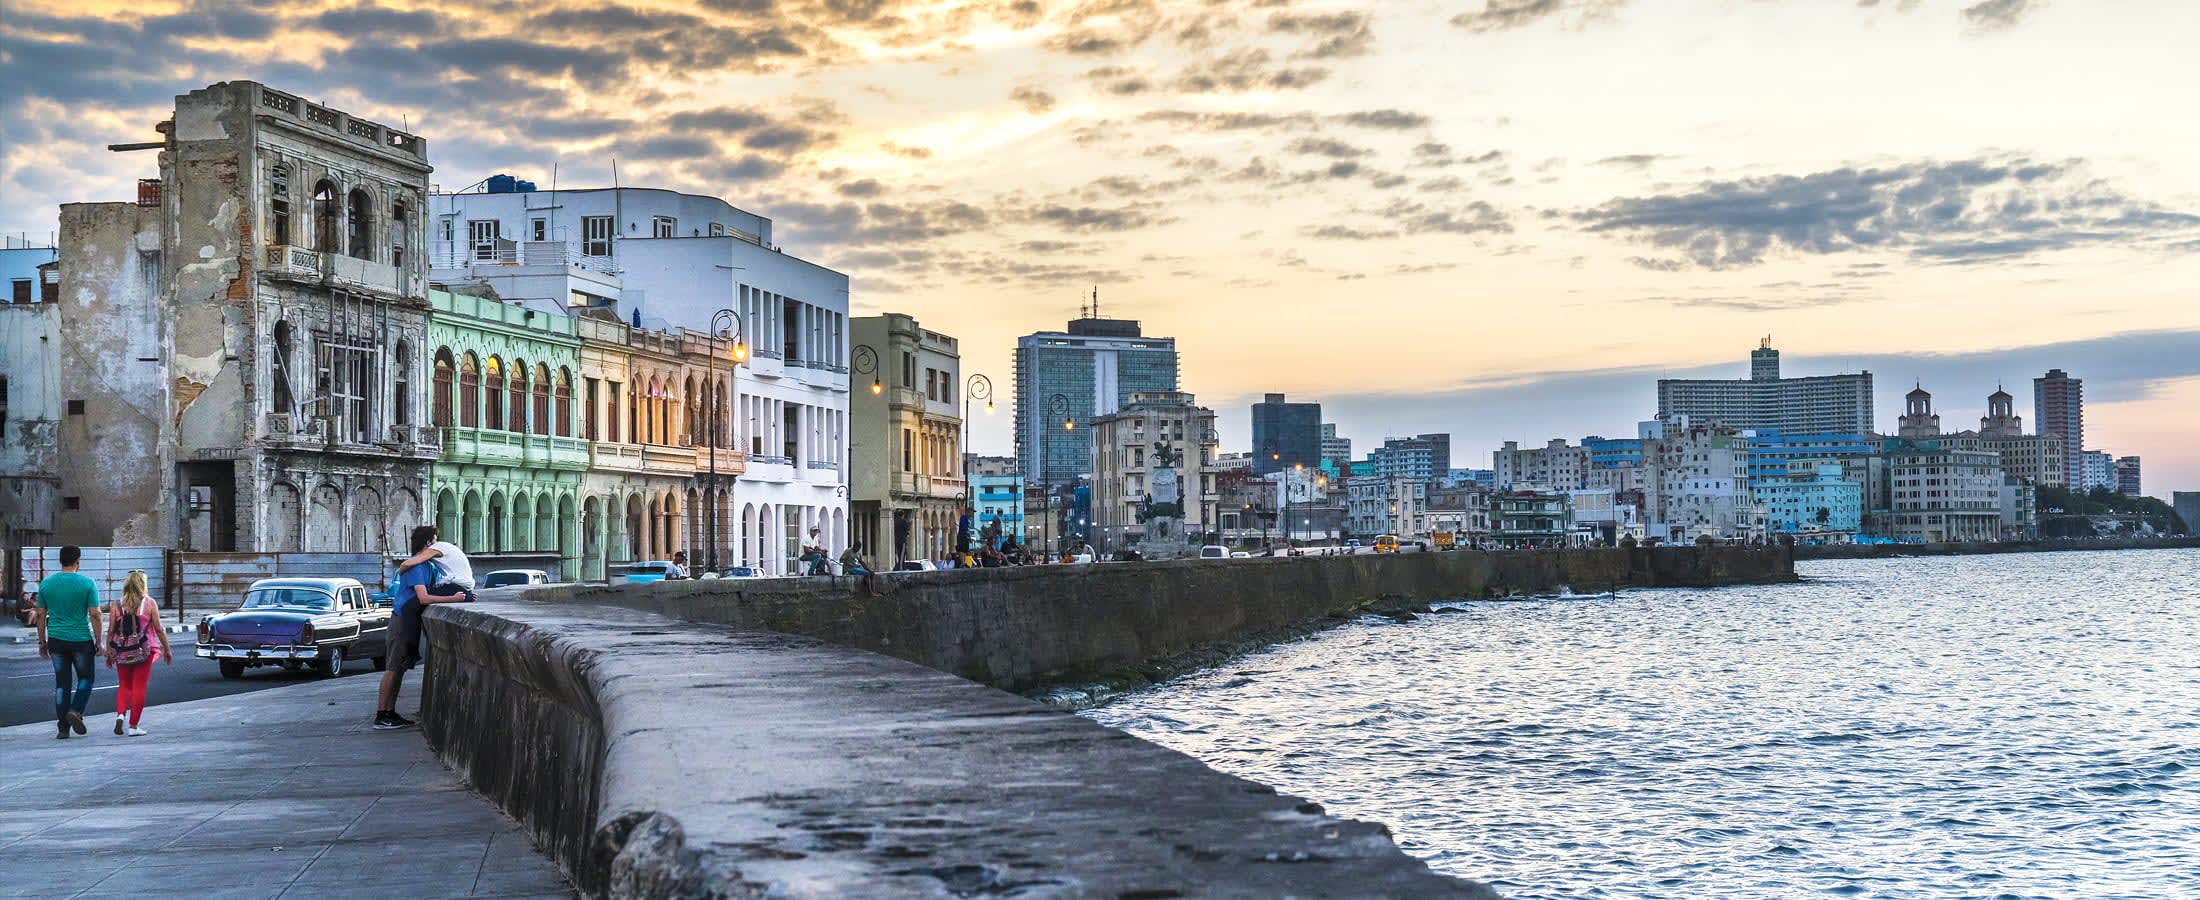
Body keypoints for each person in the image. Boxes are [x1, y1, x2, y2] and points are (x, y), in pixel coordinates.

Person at [376, 526, 474, 730]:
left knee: (399, 669)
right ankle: (382, 714)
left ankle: (390, 712)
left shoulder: (428, 566)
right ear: (428, 543)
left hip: (407, 620)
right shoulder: (417, 567)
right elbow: (423, 597)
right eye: (435, 540)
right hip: (401, 621)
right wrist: (453, 598)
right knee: (393, 669)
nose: (437, 545)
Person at [36, 546, 104, 740]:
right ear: (78, 561)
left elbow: (40, 615)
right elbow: (95, 614)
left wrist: (42, 642)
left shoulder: (46, 584)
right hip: (81, 640)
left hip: (56, 640)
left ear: (60, 560)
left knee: (62, 684)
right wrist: (99, 641)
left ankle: (63, 729)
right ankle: (76, 710)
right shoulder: (87, 583)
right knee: (86, 678)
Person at [104, 570, 170, 737]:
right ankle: (133, 726)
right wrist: (167, 649)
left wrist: (109, 653)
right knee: (139, 687)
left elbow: (110, 631)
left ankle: (120, 715)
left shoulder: (116, 605)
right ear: (143, 584)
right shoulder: (149, 603)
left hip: (122, 651)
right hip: (144, 650)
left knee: (124, 685)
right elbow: (159, 629)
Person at [395, 527, 475, 598]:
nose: (436, 542)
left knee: (419, 600)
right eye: (435, 540)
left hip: (456, 585)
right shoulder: (445, 547)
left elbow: (407, 564)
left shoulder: (435, 547)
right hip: (465, 586)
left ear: (428, 543)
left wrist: (400, 573)